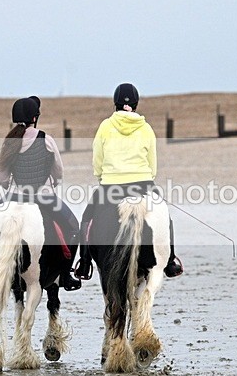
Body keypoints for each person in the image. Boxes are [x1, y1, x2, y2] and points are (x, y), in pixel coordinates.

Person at [74, 83, 183, 280]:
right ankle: (170, 261)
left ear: (115, 103)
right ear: (136, 103)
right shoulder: (146, 128)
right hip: (143, 184)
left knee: (87, 218)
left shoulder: (105, 126)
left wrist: (102, 177)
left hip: (111, 186)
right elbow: (153, 165)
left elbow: (97, 160)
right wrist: (146, 178)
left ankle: (84, 262)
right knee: (165, 217)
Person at [0, 96, 81, 291]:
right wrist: (52, 185)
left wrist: (11, 188)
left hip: (14, 196)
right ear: (35, 118)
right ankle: (65, 275)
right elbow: (58, 172)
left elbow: (1, 177)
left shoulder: (9, 142)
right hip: (44, 197)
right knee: (74, 228)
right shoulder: (46, 140)